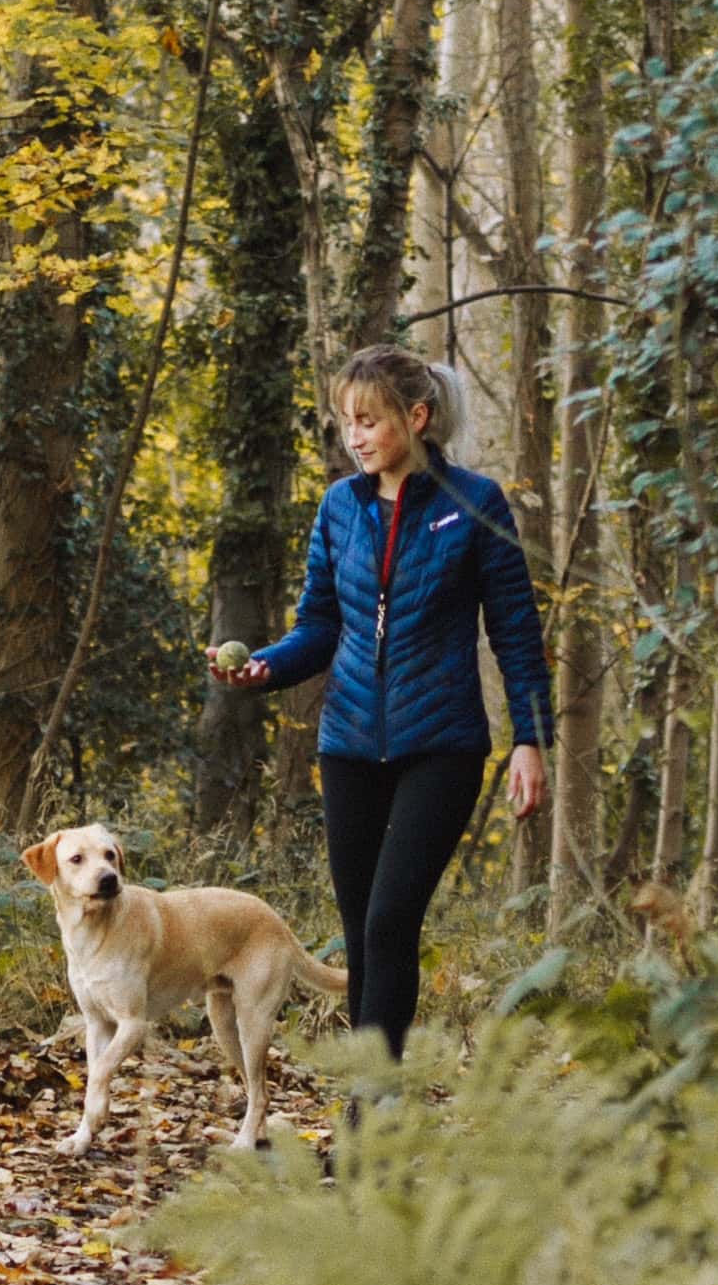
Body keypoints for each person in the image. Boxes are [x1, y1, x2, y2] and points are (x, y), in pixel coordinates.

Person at [208, 344, 552, 1059]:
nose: (355, 436)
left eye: (368, 420)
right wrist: (263, 669)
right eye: (346, 423)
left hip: (444, 747)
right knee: (365, 928)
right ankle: (368, 1115)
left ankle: (375, 1106)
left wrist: (530, 737)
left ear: (417, 418)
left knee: (392, 920)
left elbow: (515, 629)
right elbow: (320, 627)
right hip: (350, 747)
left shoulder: (474, 504)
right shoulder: (340, 509)